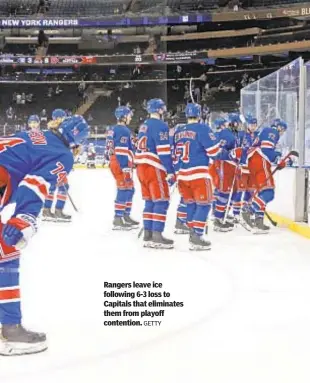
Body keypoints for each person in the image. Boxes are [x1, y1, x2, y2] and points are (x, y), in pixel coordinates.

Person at [0, 115, 89, 356]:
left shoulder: (34, 134)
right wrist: (24, 219)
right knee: (6, 254)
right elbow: (35, 183)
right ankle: (10, 329)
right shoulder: (63, 154)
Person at [174, 103, 223, 250]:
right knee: (204, 204)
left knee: (190, 204)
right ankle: (197, 235)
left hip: (182, 175)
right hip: (198, 175)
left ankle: (192, 231)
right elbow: (214, 152)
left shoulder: (178, 131)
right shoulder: (203, 128)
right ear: (200, 114)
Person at [135, 98, 174, 249]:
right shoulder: (160, 125)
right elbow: (163, 151)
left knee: (150, 201)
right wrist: (170, 171)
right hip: (154, 166)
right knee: (161, 201)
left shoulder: (144, 125)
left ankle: (148, 233)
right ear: (159, 110)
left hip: (141, 167)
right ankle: (157, 234)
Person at [241, 118, 291, 233]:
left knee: (262, 193)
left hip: (253, 162)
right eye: (282, 129)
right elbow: (267, 150)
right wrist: (278, 159)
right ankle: (248, 210)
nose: (282, 132)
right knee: (268, 192)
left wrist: (278, 158)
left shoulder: (265, 131)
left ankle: (259, 221)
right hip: (260, 161)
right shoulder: (272, 132)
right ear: (278, 127)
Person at [106, 106, 138, 230]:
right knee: (124, 189)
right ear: (124, 116)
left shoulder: (112, 129)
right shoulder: (123, 130)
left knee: (130, 189)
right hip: (120, 161)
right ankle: (118, 218)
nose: (131, 117)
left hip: (116, 160)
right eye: (129, 115)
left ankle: (126, 215)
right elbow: (121, 151)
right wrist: (125, 168)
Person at [42, 109, 71, 222]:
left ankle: (46, 209)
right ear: (58, 118)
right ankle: (58, 210)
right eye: (63, 118)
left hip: (50, 162)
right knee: (64, 186)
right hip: (57, 162)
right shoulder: (60, 131)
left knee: (52, 186)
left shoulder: (48, 131)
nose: (64, 120)